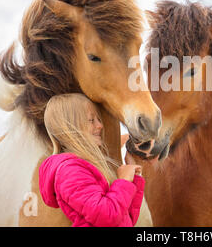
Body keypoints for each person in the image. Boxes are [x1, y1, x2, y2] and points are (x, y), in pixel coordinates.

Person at [38, 93, 145, 227]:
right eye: (91, 120)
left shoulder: (84, 168)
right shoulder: (70, 172)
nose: (100, 125)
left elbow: (125, 220)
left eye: (98, 120)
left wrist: (134, 178)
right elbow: (108, 217)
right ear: (71, 126)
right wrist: (124, 181)